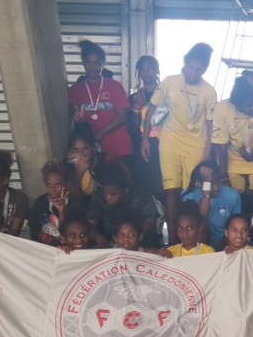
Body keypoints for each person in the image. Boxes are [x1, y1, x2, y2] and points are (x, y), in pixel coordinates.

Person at [148, 43, 218, 244]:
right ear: (184, 63)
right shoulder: (170, 82)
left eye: (199, 69)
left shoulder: (209, 92)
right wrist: (145, 139)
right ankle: (173, 240)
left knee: (192, 194)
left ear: (204, 70)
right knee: (171, 190)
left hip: (196, 146)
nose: (194, 73)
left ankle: (193, 239)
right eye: (191, 67)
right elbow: (152, 108)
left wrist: (207, 155)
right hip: (170, 142)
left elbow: (210, 125)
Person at [211, 72, 253, 242]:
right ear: (235, 104)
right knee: (235, 195)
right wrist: (223, 173)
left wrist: (251, 156)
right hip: (233, 155)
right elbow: (220, 145)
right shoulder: (222, 109)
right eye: (248, 107)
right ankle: (238, 235)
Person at [69, 40, 133, 162]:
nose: (93, 68)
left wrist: (102, 132)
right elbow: (75, 116)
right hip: (91, 147)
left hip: (118, 145)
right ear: (83, 63)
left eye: (97, 63)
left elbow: (122, 116)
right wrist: (79, 119)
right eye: (89, 63)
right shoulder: (75, 90)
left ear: (102, 64)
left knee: (120, 179)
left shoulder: (114, 86)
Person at [88, 164, 160, 248]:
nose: (108, 197)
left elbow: (150, 224)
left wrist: (132, 239)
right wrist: (98, 238)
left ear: (125, 190)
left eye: (113, 194)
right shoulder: (99, 197)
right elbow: (90, 225)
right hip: (109, 244)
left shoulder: (141, 196)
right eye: (105, 193)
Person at [182, 162, 240, 248]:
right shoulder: (189, 196)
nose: (216, 187)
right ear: (198, 183)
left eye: (217, 182)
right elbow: (199, 223)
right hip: (197, 245)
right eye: (210, 183)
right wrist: (206, 194)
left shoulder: (232, 195)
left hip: (224, 244)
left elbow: (237, 225)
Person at [28, 161, 85, 246]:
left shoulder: (75, 203)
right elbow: (34, 229)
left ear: (67, 184)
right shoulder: (41, 202)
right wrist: (45, 238)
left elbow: (72, 232)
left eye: (58, 185)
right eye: (49, 185)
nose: (53, 190)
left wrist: (62, 211)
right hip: (46, 248)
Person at [129, 55, 163, 193]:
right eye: (142, 68)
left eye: (150, 68)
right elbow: (133, 127)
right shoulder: (135, 97)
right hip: (144, 144)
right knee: (146, 182)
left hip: (165, 143)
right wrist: (137, 108)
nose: (146, 72)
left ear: (157, 70)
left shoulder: (166, 94)